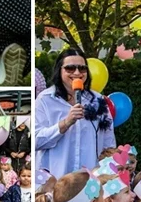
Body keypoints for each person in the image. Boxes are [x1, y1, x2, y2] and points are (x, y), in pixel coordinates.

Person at [36, 49, 116, 177]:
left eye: (82, 68)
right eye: (70, 68)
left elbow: (109, 142)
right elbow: (36, 141)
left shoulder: (98, 101)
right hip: (55, 179)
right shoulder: (45, 99)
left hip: (90, 181)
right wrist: (65, 123)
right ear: (59, 70)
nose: (77, 73)